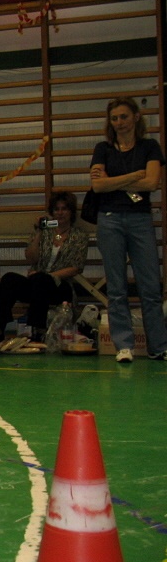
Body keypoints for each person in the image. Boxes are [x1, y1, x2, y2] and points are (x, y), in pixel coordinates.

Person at [89, 96, 167, 363]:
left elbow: (152, 183)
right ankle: (124, 345)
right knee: (117, 287)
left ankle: (159, 346)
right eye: (114, 118)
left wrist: (113, 181)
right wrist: (134, 176)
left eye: (123, 116)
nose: (119, 122)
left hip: (140, 220)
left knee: (150, 287)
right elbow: (98, 186)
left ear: (135, 117)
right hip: (109, 220)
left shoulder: (149, 147)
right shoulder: (103, 149)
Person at [0, 192, 88, 351]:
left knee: (41, 279)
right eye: (57, 209)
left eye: (64, 209)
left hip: (60, 286)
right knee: (9, 279)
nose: (60, 213)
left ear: (71, 212)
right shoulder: (45, 232)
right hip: (36, 284)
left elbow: (76, 267)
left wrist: (48, 276)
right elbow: (31, 258)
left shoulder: (79, 235)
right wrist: (38, 233)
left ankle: (37, 331)